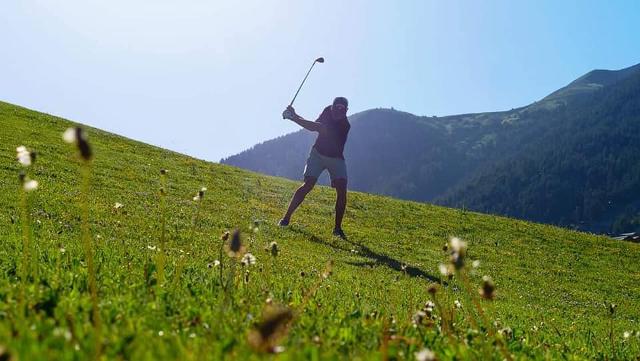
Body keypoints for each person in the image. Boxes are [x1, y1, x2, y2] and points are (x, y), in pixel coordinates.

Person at [279, 97, 351, 239]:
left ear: (346, 111)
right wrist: (294, 114)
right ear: (332, 107)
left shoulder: (345, 125)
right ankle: (286, 219)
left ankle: (337, 229)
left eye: (342, 109)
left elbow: (316, 128)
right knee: (308, 184)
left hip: (336, 158)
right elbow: (314, 124)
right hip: (318, 153)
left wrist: (293, 117)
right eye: (336, 108)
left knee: (342, 189)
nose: (338, 111)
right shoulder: (327, 111)